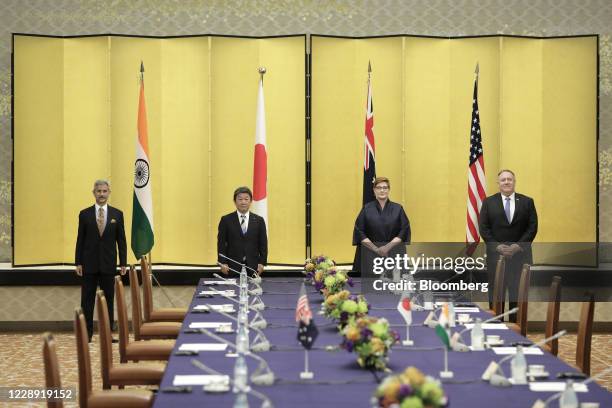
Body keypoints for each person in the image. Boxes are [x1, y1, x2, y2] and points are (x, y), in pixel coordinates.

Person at [479, 169, 538, 321]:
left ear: (514, 182)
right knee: (496, 294)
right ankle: (496, 327)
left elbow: (532, 227)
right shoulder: (488, 202)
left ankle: (515, 330)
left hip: (520, 257)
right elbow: (484, 229)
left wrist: (518, 246)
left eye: (509, 179)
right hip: (496, 258)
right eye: (503, 180)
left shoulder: (527, 201)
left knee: (517, 294)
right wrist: (497, 247)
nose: (506, 182)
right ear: (498, 183)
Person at [75, 180, 127, 342]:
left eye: (105, 191)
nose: (102, 194)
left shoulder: (117, 214)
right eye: (99, 191)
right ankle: (87, 335)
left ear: (109, 193)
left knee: (108, 301)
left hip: (108, 265)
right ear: (94, 193)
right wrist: (78, 262)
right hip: (88, 265)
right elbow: (80, 240)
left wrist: (123, 262)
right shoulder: (84, 214)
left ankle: (107, 335)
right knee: (87, 302)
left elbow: (121, 240)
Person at [352, 177, 411, 274]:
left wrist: (387, 247)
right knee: (371, 286)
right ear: (374, 190)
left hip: (393, 254)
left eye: (385, 187)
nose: (382, 190)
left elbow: (404, 230)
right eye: (379, 188)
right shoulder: (366, 209)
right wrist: (376, 249)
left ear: (389, 189)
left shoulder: (398, 208)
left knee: (394, 285)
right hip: (371, 255)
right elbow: (359, 231)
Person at [218, 186, 268, 275]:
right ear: (235, 201)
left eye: (246, 199)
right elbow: (221, 243)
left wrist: (262, 263)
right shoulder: (226, 220)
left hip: (254, 266)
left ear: (251, 201)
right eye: (240, 199)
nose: (243, 202)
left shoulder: (259, 220)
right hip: (231, 266)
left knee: (252, 289)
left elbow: (263, 244)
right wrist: (222, 262)